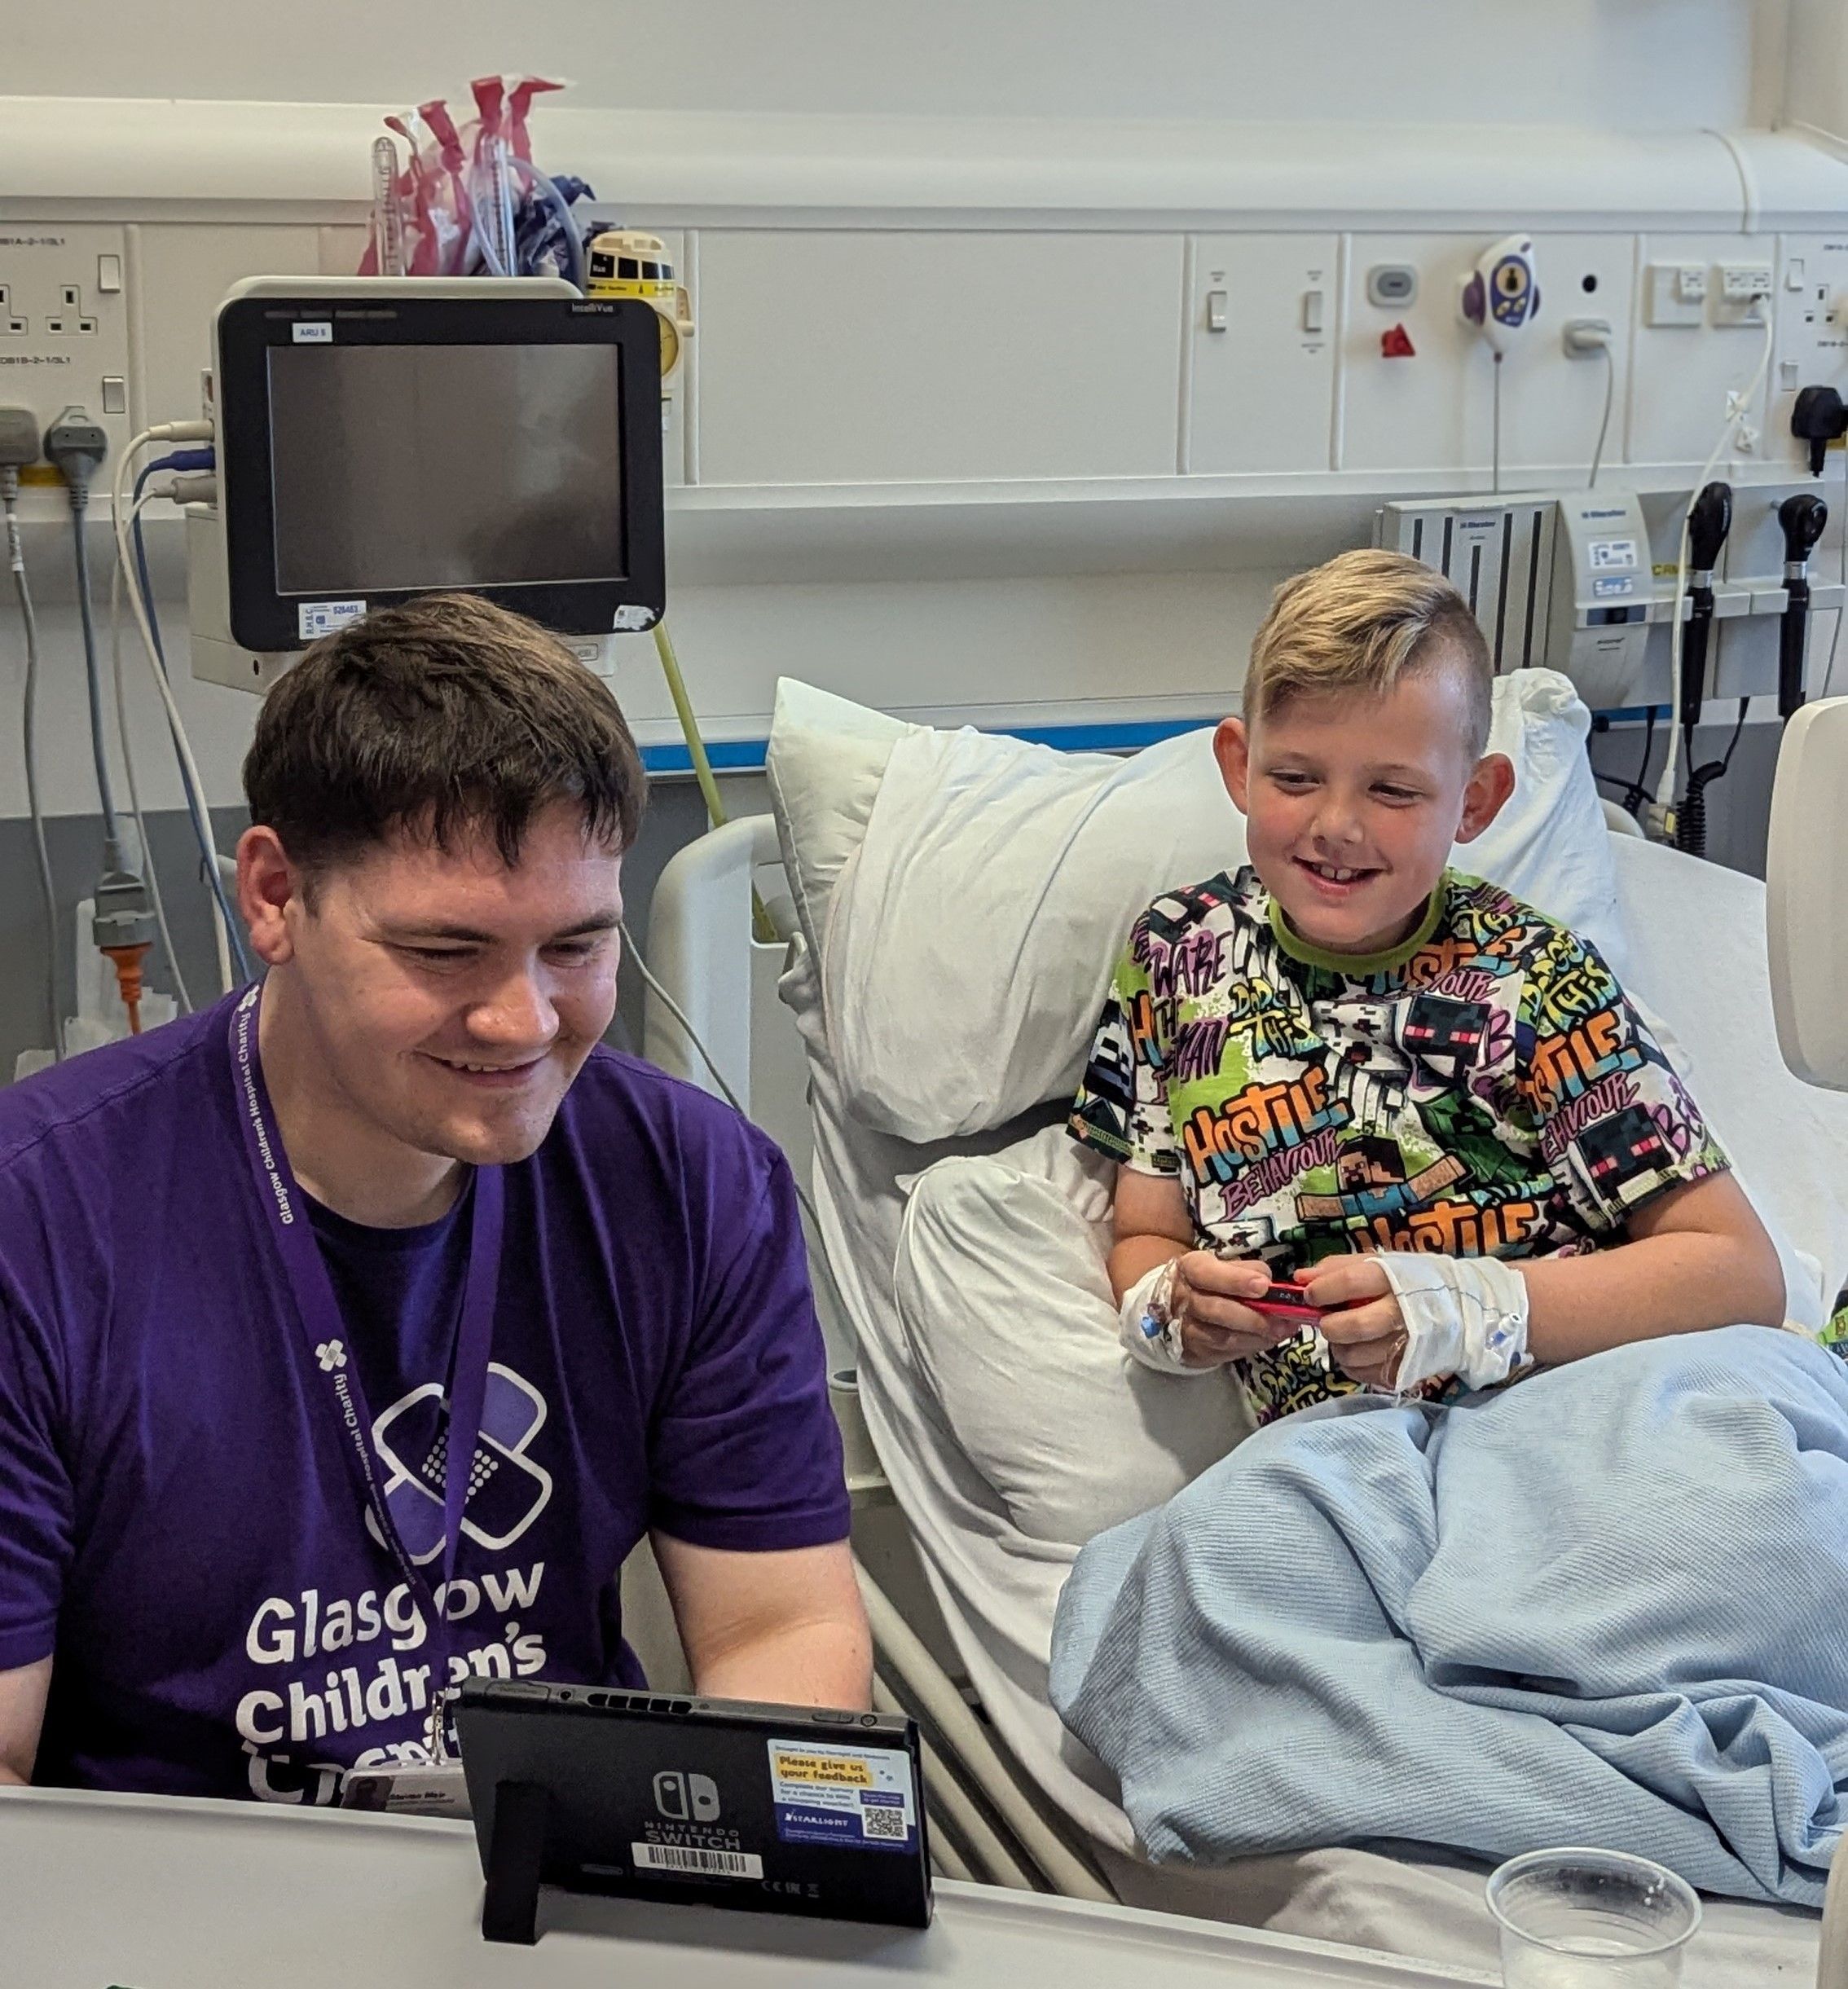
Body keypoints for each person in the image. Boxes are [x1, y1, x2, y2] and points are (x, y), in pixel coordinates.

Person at [0, 594, 869, 1804]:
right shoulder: (40, 1222)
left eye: (576, 945)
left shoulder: (692, 1186)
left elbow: (777, 1630)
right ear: (273, 897)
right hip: (178, 1903)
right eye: (445, 952)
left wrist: (781, 1899)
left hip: (552, 1886)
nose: (524, 1023)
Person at [1069, 548, 1784, 1426]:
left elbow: (1738, 1270)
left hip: (1563, 1410)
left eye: (1395, 789)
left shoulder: (1534, 980)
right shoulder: (1177, 954)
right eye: (1295, 778)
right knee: (1186, 1560)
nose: (1337, 826)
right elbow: (1150, 1232)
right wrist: (1170, 1311)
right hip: (1333, 1453)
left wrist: (1472, 1307)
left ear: (1475, 800)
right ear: (1238, 765)